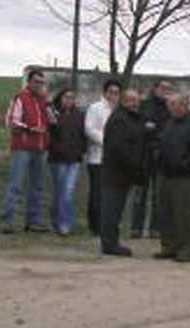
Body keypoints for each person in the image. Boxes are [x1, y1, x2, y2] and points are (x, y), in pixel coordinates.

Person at [154, 94, 190, 263]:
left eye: (173, 105)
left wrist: (183, 165)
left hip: (185, 178)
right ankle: (169, 245)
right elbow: (159, 142)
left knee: (183, 214)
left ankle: (186, 248)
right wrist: (159, 158)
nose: (169, 108)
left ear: (184, 106)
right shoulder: (168, 123)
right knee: (166, 212)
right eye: (169, 105)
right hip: (165, 174)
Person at [0, 69, 51, 234]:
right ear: (28, 82)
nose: (39, 85)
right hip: (22, 147)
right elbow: (11, 121)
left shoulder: (43, 100)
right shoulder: (20, 97)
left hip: (39, 147)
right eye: (36, 82)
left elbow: (50, 121)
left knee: (37, 186)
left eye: (41, 82)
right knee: (15, 184)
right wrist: (30, 129)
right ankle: (6, 222)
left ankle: (33, 221)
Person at [99, 89, 148, 257]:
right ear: (124, 102)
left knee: (116, 209)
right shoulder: (119, 119)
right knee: (111, 209)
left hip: (124, 173)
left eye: (137, 100)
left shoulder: (132, 118)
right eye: (131, 100)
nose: (136, 103)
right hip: (116, 172)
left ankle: (111, 241)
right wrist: (133, 166)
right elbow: (119, 149)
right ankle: (109, 244)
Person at [131, 78, 173, 239]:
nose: (166, 91)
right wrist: (147, 127)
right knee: (140, 193)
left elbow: (170, 129)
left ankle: (156, 229)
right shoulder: (145, 105)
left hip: (162, 155)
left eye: (169, 88)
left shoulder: (171, 107)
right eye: (163, 88)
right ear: (155, 89)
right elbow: (140, 125)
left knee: (159, 195)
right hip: (144, 154)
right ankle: (136, 228)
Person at [47, 87, 87, 237]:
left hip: (74, 160)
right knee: (59, 192)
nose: (69, 100)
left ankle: (65, 225)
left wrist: (81, 149)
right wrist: (56, 148)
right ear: (60, 98)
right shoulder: (53, 114)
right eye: (66, 97)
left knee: (68, 192)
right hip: (57, 160)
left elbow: (83, 135)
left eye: (72, 98)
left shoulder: (79, 115)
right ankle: (55, 223)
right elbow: (49, 135)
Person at [84, 78, 122, 235]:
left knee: (109, 194)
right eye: (111, 92)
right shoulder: (96, 108)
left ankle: (107, 224)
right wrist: (107, 143)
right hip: (97, 158)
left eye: (117, 93)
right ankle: (95, 225)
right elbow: (90, 129)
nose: (113, 95)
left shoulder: (119, 110)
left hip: (114, 160)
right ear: (105, 93)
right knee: (97, 193)